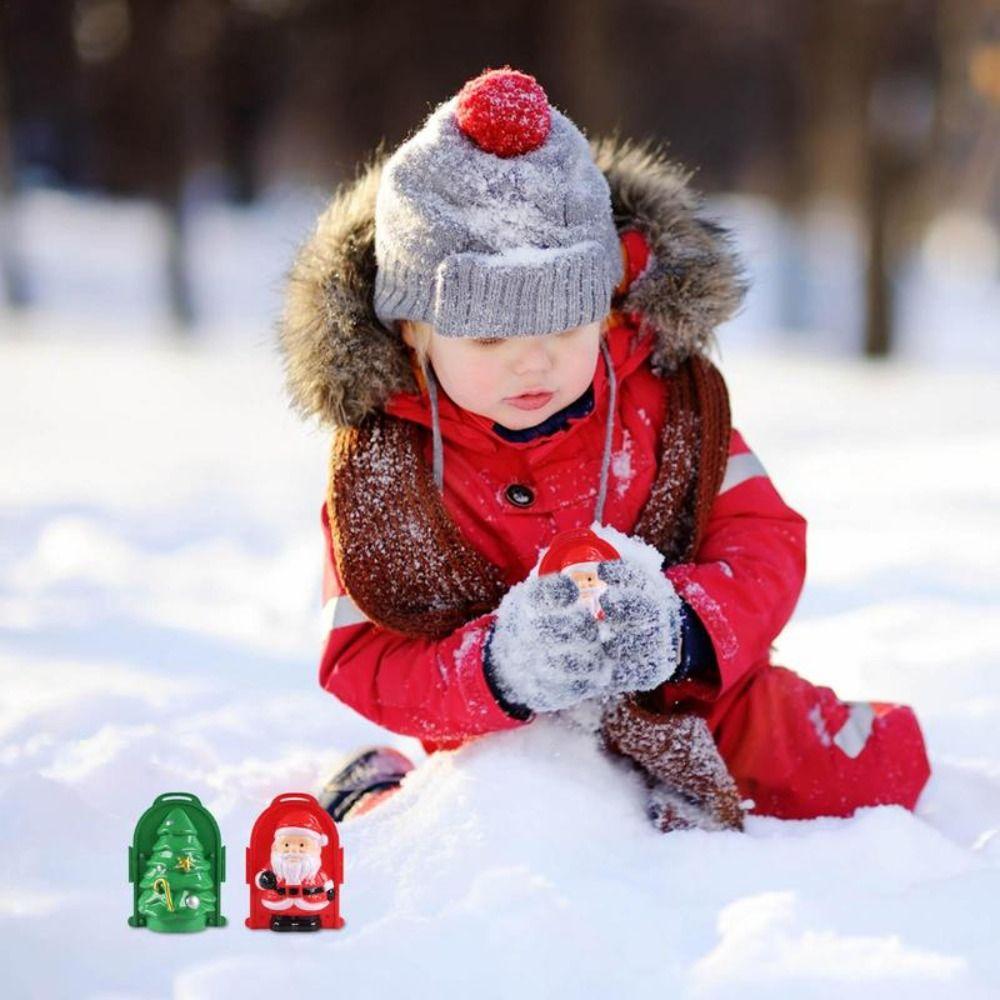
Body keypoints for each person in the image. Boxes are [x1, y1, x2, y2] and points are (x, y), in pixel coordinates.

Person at [278, 67, 931, 829]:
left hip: (691, 695)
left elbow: (764, 540)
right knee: (502, 822)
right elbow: (359, 654)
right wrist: (499, 670)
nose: (533, 363)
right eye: (488, 339)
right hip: (501, 727)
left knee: (865, 778)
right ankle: (384, 791)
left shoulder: (665, 400)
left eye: (565, 328)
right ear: (413, 332)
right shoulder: (389, 466)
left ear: (609, 305)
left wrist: (687, 626)